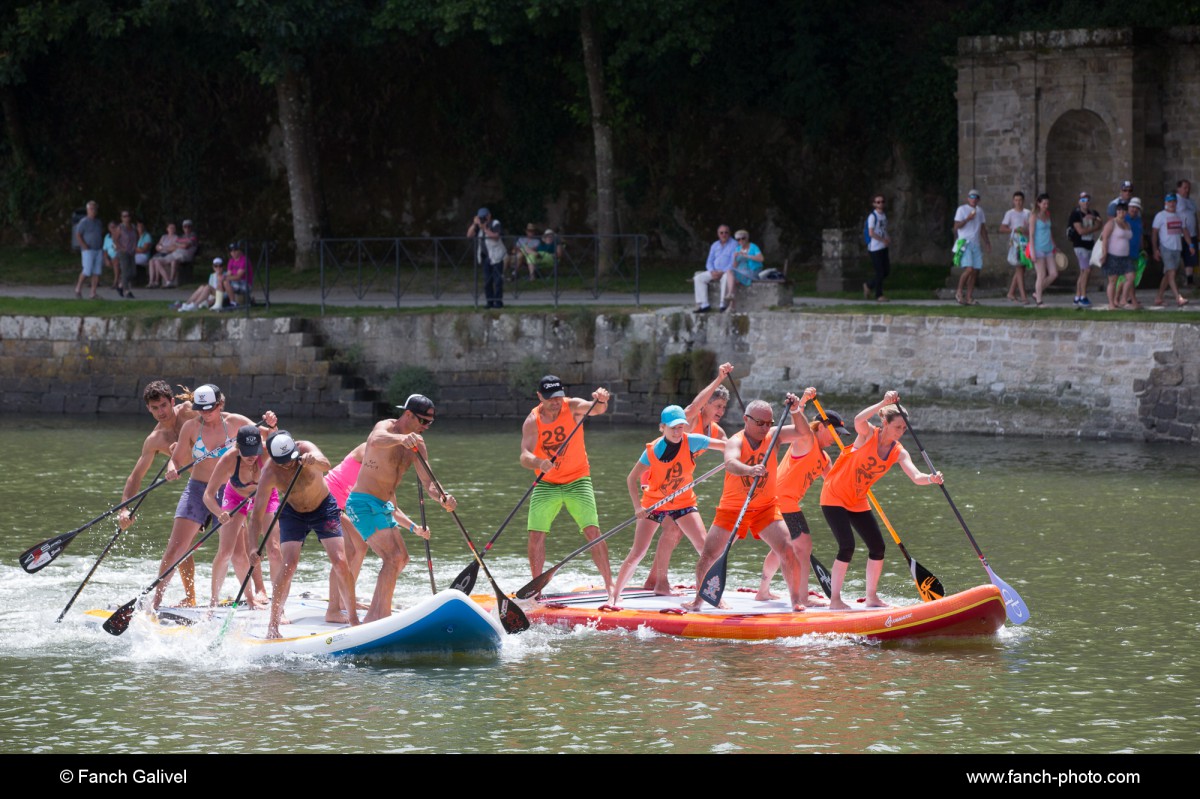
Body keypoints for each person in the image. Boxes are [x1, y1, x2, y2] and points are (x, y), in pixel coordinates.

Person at [682, 394, 809, 612]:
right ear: (746, 419)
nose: (764, 427)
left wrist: (796, 410)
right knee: (709, 554)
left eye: (769, 423)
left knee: (788, 550)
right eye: (759, 423)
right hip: (733, 508)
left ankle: (796, 600)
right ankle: (698, 600)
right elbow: (731, 463)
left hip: (765, 508)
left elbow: (803, 433)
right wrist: (749, 470)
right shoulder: (736, 440)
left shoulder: (774, 436)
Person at [818, 391, 943, 611]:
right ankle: (835, 600)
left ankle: (871, 597)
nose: (901, 432)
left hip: (857, 500)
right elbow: (858, 420)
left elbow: (915, 477)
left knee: (878, 547)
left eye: (904, 429)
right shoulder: (868, 434)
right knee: (847, 546)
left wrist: (931, 479)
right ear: (884, 422)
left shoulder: (898, 452)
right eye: (897, 427)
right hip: (834, 495)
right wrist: (883, 403)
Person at [153, 384, 274, 610]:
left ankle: (259, 591)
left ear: (220, 404)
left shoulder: (236, 422)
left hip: (229, 490)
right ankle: (156, 601)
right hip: (198, 488)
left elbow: (269, 438)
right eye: (201, 409)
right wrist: (172, 467)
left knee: (239, 550)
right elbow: (176, 458)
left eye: (210, 408)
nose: (205, 413)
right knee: (175, 548)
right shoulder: (191, 427)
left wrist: (272, 424)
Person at [342, 395, 455, 623]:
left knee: (402, 558)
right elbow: (375, 440)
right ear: (408, 414)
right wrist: (401, 438)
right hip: (362, 502)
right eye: (422, 421)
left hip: (384, 506)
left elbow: (429, 483)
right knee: (392, 558)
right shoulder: (386, 427)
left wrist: (443, 497)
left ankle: (377, 614)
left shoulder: (418, 445)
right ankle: (378, 619)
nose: (425, 427)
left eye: (429, 423)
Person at [607, 405, 726, 606]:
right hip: (654, 504)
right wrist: (637, 507)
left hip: (683, 502)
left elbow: (727, 445)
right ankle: (614, 596)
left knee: (705, 547)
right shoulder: (653, 450)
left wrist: (740, 452)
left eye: (681, 427)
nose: (678, 432)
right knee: (638, 552)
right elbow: (631, 479)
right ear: (662, 427)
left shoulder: (693, 441)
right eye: (673, 428)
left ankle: (714, 595)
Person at [248, 431, 357, 639]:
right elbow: (256, 516)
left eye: (290, 459)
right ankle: (273, 625)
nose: (288, 465)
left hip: (323, 507)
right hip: (293, 513)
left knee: (340, 560)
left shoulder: (306, 448)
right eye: (282, 462)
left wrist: (313, 461)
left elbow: (326, 464)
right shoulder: (269, 472)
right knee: (288, 565)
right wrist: (254, 546)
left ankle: (353, 620)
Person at [639, 362, 734, 594]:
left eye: (724, 407)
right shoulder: (689, 420)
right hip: (653, 480)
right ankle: (660, 583)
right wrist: (719, 379)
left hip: (677, 487)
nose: (721, 411)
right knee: (672, 530)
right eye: (717, 405)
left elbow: (732, 448)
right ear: (707, 404)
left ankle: (653, 580)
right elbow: (694, 404)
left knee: (676, 531)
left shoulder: (717, 432)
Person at [521, 376, 613, 593]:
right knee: (536, 534)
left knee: (592, 531)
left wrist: (601, 400)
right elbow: (524, 455)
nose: (556, 402)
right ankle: (537, 589)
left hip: (577, 479)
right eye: (551, 398)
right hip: (547, 483)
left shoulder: (571, 407)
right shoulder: (533, 420)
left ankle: (610, 584)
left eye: (559, 397)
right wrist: (538, 462)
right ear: (540, 397)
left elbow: (595, 409)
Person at [756, 391, 845, 604]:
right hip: (780, 501)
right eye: (835, 432)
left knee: (780, 549)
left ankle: (763, 591)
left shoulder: (824, 458)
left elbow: (834, 483)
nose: (838, 437)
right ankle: (802, 598)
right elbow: (799, 422)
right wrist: (801, 402)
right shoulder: (806, 441)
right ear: (821, 427)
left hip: (784, 503)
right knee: (804, 546)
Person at [202, 425, 281, 609]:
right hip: (235, 497)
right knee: (226, 553)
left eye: (255, 452)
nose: (252, 457)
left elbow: (284, 445)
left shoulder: (268, 453)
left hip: (265, 496)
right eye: (246, 453)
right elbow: (208, 495)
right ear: (238, 448)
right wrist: (218, 512)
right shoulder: (229, 459)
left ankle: (278, 606)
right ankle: (215, 602)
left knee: (274, 549)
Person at [117, 380, 199, 532]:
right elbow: (135, 477)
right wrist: (124, 509)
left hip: (225, 475)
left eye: (163, 405)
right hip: (199, 484)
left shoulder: (188, 411)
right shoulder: (155, 440)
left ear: (172, 401)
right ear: (148, 408)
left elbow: (220, 421)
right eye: (155, 408)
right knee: (178, 544)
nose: (161, 412)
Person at [1152, 193, 1194, 308]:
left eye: (1173, 201)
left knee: (1168, 274)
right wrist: (1155, 249)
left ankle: (1159, 297)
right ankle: (1178, 297)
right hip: (1166, 248)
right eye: (1169, 201)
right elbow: (1154, 233)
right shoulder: (1160, 216)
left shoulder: (1180, 215)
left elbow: (1185, 231)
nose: (1172, 203)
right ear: (1165, 202)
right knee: (1172, 273)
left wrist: (1191, 245)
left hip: (1177, 248)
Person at [953, 189, 990, 305]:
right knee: (968, 269)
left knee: (974, 271)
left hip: (976, 244)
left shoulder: (980, 211)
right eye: (971, 197)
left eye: (976, 197)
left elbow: (983, 228)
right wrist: (967, 219)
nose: (973, 199)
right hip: (965, 243)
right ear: (968, 198)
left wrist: (987, 242)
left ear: (978, 200)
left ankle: (969, 297)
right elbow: (956, 226)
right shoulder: (962, 209)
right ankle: (959, 291)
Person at [1099, 202, 1137, 311]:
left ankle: (1123, 299)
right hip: (1113, 255)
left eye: (1124, 211)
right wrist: (1105, 254)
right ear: (1116, 212)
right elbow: (1104, 238)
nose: (1121, 213)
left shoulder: (1127, 224)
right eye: (1119, 211)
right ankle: (1111, 304)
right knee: (1113, 281)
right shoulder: (1111, 223)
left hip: (1125, 256)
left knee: (1131, 276)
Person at [692, 224, 738, 313]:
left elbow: (733, 262)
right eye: (721, 233)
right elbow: (709, 261)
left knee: (725, 278)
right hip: (714, 271)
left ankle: (723, 304)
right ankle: (704, 305)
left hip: (727, 271)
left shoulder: (734, 245)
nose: (724, 235)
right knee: (698, 278)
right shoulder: (714, 245)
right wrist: (712, 271)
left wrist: (722, 272)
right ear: (718, 234)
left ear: (729, 233)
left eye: (726, 232)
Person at [1068, 192, 1102, 307]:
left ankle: (1077, 297)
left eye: (1087, 200)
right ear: (1079, 202)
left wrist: (1093, 219)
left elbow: (1100, 224)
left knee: (1083, 272)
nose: (1085, 202)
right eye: (1083, 200)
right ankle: (1083, 297)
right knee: (1086, 270)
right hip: (1079, 245)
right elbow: (1080, 231)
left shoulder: (1093, 213)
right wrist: (1093, 227)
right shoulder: (1075, 214)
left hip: (1089, 245)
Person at [468, 207, 506, 308]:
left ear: (489, 215)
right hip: (485, 257)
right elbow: (469, 235)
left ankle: (498, 302)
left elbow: (496, 237)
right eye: (481, 217)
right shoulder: (478, 225)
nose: (483, 219)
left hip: (497, 256)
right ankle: (489, 302)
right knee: (487, 281)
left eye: (485, 217)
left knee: (498, 280)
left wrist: (485, 229)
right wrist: (474, 224)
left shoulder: (495, 223)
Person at [1027, 193, 1058, 307]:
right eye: (1044, 203)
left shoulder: (1047, 214)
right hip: (1038, 248)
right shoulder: (1034, 215)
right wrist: (1032, 251)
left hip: (1048, 247)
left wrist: (1054, 245)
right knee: (1041, 274)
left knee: (1054, 274)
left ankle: (1037, 292)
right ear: (1039, 203)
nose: (1046, 205)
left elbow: (1049, 232)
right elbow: (1031, 235)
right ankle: (1039, 301)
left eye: (1047, 203)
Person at [999, 191, 1031, 304]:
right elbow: (1002, 228)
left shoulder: (1028, 213)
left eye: (1020, 200)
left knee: (1022, 268)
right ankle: (1023, 296)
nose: (1018, 202)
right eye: (1016, 200)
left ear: (1023, 201)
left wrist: (1025, 230)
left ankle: (1011, 292)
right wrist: (1014, 230)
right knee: (1019, 267)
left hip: (1025, 243)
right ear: (1013, 201)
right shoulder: (1010, 213)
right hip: (1016, 243)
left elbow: (1030, 228)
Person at [725, 230, 764, 311]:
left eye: (743, 238)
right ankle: (731, 304)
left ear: (747, 238)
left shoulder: (753, 246)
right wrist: (735, 258)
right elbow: (735, 266)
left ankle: (731, 303)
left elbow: (761, 259)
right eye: (738, 239)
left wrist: (748, 256)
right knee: (731, 279)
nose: (741, 241)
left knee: (730, 276)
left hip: (752, 272)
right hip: (741, 272)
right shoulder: (737, 249)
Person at [73, 200, 105, 299]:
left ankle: (93, 293)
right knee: (87, 270)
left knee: (96, 271)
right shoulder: (84, 222)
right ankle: (78, 288)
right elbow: (78, 235)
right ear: (87, 210)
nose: (93, 211)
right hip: (88, 250)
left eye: (95, 209)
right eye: (91, 209)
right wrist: (84, 246)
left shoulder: (98, 222)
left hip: (98, 249)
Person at [1119, 197, 1146, 309]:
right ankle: (1123, 300)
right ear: (1128, 207)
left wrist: (1142, 249)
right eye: (1132, 207)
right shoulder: (1123, 218)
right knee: (1130, 277)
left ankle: (1129, 300)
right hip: (1125, 252)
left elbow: (1140, 236)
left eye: (1136, 208)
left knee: (1129, 278)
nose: (1134, 209)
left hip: (1135, 252)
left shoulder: (1139, 220)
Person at [864, 195, 891, 302]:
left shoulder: (884, 216)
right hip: (874, 248)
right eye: (878, 202)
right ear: (874, 204)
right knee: (880, 271)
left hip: (883, 247)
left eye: (882, 202)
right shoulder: (872, 216)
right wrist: (882, 239)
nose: (880, 204)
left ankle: (869, 285)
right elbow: (871, 233)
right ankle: (879, 295)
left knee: (886, 271)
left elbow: (883, 229)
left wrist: (887, 237)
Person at [1177, 180, 1197, 287]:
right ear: (1178, 188)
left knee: (1190, 257)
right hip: (1179, 234)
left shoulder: (1190, 201)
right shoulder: (1175, 200)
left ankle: (1189, 280)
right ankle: (1172, 281)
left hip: (1192, 233)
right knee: (1178, 257)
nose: (1187, 190)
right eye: (1185, 188)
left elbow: (1195, 216)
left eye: (1188, 188)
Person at [147, 223, 179, 288]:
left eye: (173, 228)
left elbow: (174, 248)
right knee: (151, 261)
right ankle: (151, 282)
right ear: (167, 229)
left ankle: (158, 281)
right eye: (170, 228)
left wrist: (163, 248)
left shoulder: (176, 237)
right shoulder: (164, 237)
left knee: (156, 261)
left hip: (168, 254)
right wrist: (163, 248)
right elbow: (157, 246)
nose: (171, 229)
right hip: (161, 253)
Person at [114, 210, 137, 298]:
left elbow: (135, 237)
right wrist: (121, 247)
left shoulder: (133, 227)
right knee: (125, 272)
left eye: (128, 216)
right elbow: (115, 239)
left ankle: (120, 285)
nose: (126, 218)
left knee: (133, 272)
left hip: (131, 251)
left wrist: (135, 246)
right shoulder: (120, 228)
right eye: (124, 216)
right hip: (123, 252)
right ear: (121, 218)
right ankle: (127, 291)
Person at [134, 221, 153, 286]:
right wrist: (137, 249)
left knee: (129, 260)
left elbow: (144, 250)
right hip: (136, 255)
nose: (140, 228)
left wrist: (135, 249)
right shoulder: (135, 236)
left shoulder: (147, 236)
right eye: (138, 227)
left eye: (141, 226)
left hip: (144, 256)